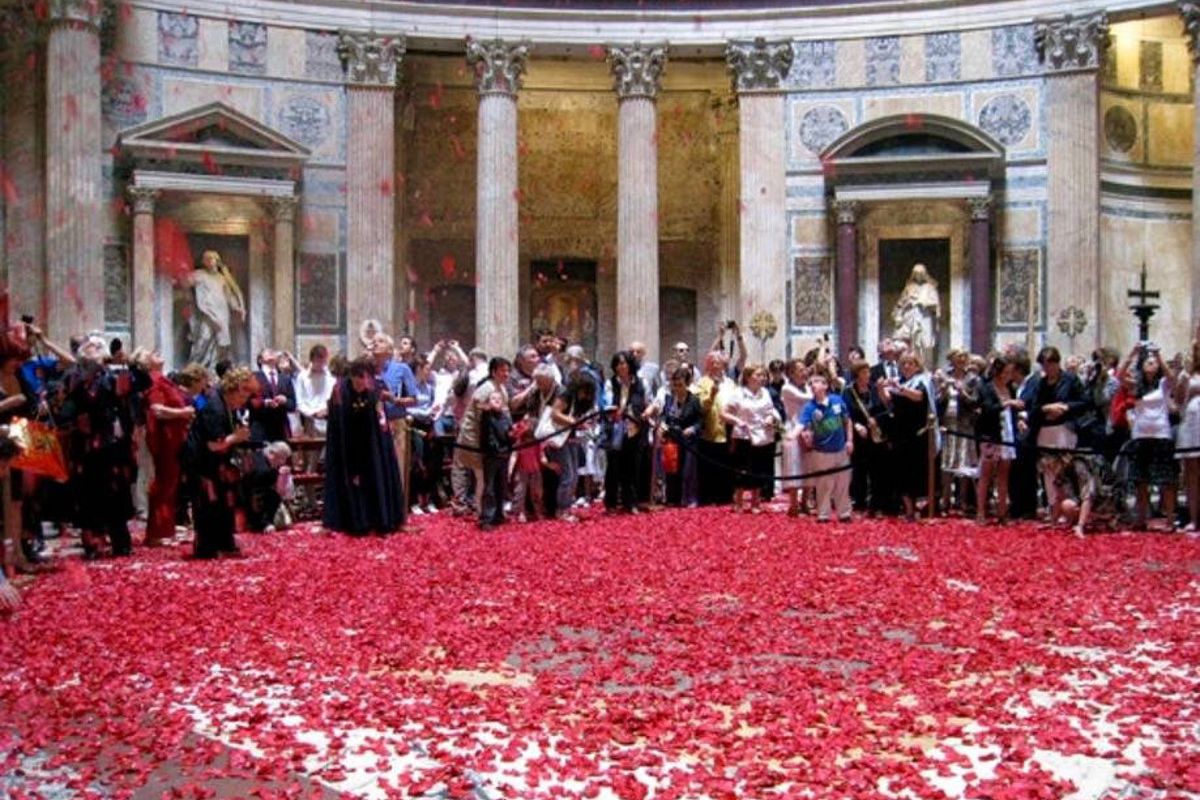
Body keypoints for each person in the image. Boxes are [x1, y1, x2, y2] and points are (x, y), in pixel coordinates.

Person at [65, 335, 137, 558]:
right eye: (89, 347)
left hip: (112, 445)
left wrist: (130, 362)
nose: (92, 351)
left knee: (115, 492)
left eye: (97, 347)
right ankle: (91, 542)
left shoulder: (115, 377)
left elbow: (142, 382)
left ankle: (120, 541)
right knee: (88, 496)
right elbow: (65, 409)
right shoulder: (73, 379)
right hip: (87, 447)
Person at [322, 356, 407, 535]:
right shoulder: (339, 390)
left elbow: (379, 419)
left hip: (371, 442)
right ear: (351, 376)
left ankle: (380, 519)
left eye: (366, 379)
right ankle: (355, 521)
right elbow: (339, 423)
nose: (362, 384)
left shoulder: (374, 388)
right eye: (359, 380)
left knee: (376, 475)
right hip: (348, 442)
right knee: (351, 480)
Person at [186, 366, 256, 559]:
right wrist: (236, 437)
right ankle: (206, 546)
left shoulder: (225, 404)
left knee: (224, 502)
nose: (243, 402)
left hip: (217, 463)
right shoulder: (214, 406)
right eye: (242, 397)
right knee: (208, 503)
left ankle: (224, 541)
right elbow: (212, 444)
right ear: (233, 389)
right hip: (202, 462)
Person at [1021, 346, 1089, 525]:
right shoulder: (1039, 383)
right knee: (1048, 473)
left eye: (1051, 364)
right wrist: (1046, 408)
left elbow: (1084, 402)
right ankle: (1053, 510)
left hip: (1064, 429)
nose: (1047, 368)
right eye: (1044, 365)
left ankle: (1070, 510)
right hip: (1045, 430)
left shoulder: (1071, 380)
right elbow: (1030, 406)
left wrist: (1066, 407)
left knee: (1065, 470)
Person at [142, 352, 200, 547]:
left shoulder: (164, 380)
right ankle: (157, 533)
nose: (158, 353)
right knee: (164, 485)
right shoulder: (154, 381)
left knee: (170, 485)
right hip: (165, 440)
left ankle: (167, 529)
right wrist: (183, 412)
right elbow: (156, 410)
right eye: (153, 354)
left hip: (174, 439)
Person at [1121, 343, 1178, 531]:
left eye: (1153, 363)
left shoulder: (1163, 385)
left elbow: (1172, 377)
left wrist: (1159, 355)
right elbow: (1120, 376)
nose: (1150, 365)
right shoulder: (1136, 385)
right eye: (1148, 362)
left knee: (1166, 480)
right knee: (1141, 480)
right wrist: (1133, 353)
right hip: (1140, 434)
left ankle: (1170, 519)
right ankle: (1141, 518)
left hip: (1161, 434)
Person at [879, 352, 936, 521]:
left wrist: (900, 389)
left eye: (910, 363)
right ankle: (908, 510)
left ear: (917, 365)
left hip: (917, 433)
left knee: (916, 471)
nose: (906, 367)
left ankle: (921, 508)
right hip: (900, 432)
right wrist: (881, 388)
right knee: (901, 472)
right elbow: (888, 401)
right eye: (903, 364)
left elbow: (919, 397)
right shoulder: (901, 382)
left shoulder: (922, 381)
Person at [721, 363, 781, 514]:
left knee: (759, 468)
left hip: (763, 435)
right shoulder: (738, 393)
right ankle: (739, 502)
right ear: (748, 377)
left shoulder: (765, 393)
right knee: (742, 469)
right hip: (744, 435)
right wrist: (737, 421)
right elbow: (724, 413)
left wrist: (769, 418)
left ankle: (756, 502)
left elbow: (770, 410)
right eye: (758, 375)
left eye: (763, 375)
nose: (762, 378)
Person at [799, 372, 853, 522]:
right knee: (823, 484)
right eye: (811, 383)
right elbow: (804, 425)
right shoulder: (809, 407)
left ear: (825, 385)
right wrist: (803, 435)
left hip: (840, 449)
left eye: (817, 381)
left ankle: (844, 513)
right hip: (822, 451)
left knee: (843, 483)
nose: (813, 385)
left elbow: (847, 421)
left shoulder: (837, 400)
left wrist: (849, 440)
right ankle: (823, 514)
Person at [974, 355, 1022, 525]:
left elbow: (1014, 411)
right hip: (991, 433)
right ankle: (980, 512)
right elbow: (987, 409)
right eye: (1007, 371)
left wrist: (1019, 418)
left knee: (1004, 474)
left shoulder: (1011, 388)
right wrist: (1007, 403)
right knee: (986, 474)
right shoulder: (986, 388)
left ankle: (1002, 512)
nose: (1010, 375)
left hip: (1007, 433)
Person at [604, 351, 647, 514]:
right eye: (618, 364)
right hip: (615, 430)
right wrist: (618, 411)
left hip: (635, 430)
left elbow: (647, 401)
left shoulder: (641, 383)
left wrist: (647, 411)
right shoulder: (610, 384)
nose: (621, 367)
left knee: (633, 467)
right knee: (613, 467)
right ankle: (611, 503)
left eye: (624, 363)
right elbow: (608, 403)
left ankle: (631, 502)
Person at [188, 250, 246, 368]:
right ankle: (194, 366)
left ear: (217, 261)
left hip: (222, 313)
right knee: (204, 339)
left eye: (211, 258)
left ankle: (215, 368)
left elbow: (229, 295)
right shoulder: (199, 275)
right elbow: (184, 282)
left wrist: (237, 307)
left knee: (221, 343)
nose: (209, 261)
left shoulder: (222, 278)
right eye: (206, 259)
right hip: (207, 313)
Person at [845, 360, 888, 516]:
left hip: (874, 433)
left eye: (868, 372)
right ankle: (860, 502)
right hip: (859, 435)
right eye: (864, 372)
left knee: (876, 470)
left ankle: (876, 503)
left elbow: (883, 408)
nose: (868, 375)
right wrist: (857, 425)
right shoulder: (849, 391)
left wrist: (876, 420)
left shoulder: (873, 390)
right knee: (859, 470)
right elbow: (847, 412)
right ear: (857, 375)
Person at [656, 367, 701, 508]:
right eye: (675, 385)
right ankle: (672, 498)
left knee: (688, 471)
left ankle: (690, 498)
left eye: (680, 385)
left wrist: (692, 429)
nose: (677, 388)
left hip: (688, 441)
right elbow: (664, 416)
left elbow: (700, 421)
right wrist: (662, 424)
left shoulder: (694, 400)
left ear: (687, 384)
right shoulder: (669, 399)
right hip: (672, 440)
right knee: (671, 471)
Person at [696, 350, 736, 506]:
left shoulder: (730, 383)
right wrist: (711, 395)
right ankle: (708, 497)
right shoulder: (702, 382)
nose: (715, 365)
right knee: (709, 466)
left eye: (717, 362)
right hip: (710, 429)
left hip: (728, 429)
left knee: (727, 464)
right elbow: (701, 406)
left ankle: (725, 496)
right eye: (711, 362)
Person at [779, 359, 811, 517]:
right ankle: (793, 504)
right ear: (791, 373)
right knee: (794, 466)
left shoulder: (808, 386)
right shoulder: (787, 388)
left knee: (809, 466)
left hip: (809, 429)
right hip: (793, 427)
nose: (804, 372)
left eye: (804, 369)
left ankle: (805, 502)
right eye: (799, 370)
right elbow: (808, 399)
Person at [1176, 323, 1200, 531]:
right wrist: (1182, 379)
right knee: (1191, 472)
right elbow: (1177, 399)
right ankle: (1193, 518)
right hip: (1192, 421)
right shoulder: (1189, 369)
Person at [892, 264, 940, 367]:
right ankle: (913, 365)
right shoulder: (909, 288)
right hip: (911, 318)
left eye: (920, 274)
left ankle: (926, 366)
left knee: (926, 343)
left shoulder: (930, 287)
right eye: (916, 274)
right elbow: (900, 305)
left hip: (926, 318)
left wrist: (922, 303)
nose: (918, 276)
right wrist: (906, 307)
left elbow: (935, 305)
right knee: (913, 344)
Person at [249, 348, 296, 443]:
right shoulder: (253, 377)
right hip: (260, 429)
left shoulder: (285, 378)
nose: (271, 353)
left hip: (281, 430)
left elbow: (293, 405)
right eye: (267, 352)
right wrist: (265, 403)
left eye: (273, 352)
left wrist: (285, 401)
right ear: (260, 359)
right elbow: (247, 402)